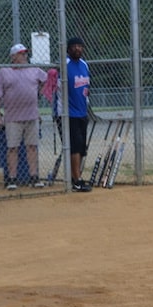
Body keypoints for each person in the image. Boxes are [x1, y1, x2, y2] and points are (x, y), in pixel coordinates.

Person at [0, 43, 48, 190]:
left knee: (32, 147)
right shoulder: (4, 72)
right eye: (21, 54)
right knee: (12, 148)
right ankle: (12, 179)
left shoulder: (34, 69)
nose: (25, 56)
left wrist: (38, 93)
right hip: (13, 117)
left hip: (32, 115)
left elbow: (46, 80)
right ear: (13, 57)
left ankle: (34, 177)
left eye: (25, 54)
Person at [54, 37, 92, 192]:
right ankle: (77, 180)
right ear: (68, 49)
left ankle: (75, 176)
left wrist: (87, 107)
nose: (77, 49)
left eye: (80, 46)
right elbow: (57, 89)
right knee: (74, 147)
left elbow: (86, 88)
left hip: (82, 112)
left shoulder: (84, 64)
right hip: (67, 114)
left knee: (82, 147)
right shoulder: (64, 65)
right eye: (74, 46)